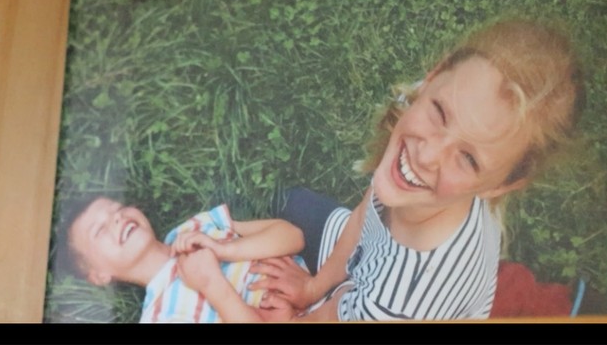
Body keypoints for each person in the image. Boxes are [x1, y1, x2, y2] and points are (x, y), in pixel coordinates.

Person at [249, 19, 585, 321]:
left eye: (467, 158)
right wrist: (312, 287)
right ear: (432, 78)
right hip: (362, 272)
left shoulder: (405, 301)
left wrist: (297, 316)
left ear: (500, 185)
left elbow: (332, 318)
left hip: (373, 304)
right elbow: (365, 214)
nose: (427, 155)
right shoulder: (413, 176)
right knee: (288, 201)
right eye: (440, 112)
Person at [59, 196, 304, 322]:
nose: (117, 219)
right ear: (99, 275)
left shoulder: (195, 228)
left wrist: (224, 250)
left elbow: (294, 237)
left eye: (118, 209)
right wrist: (211, 283)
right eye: (99, 230)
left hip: (327, 294)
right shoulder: (161, 318)